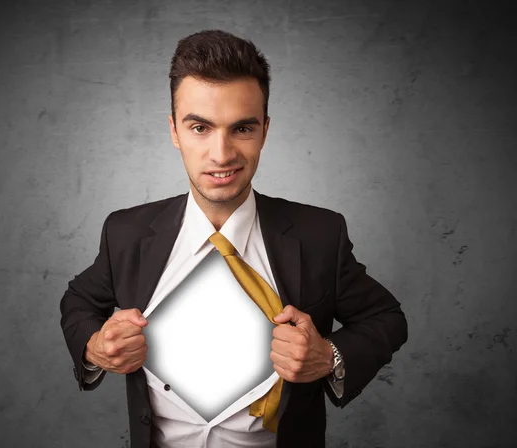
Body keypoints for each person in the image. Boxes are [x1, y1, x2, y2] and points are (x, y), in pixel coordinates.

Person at [59, 29, 408, 448]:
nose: (222, 154)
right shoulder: (125, 232)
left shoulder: (321, 235)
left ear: (264, 130)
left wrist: (328, 357)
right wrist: (95, 348)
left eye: (241, 128)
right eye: (200, 127)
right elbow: (78, 301)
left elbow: (387, 319)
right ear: (174, 131)